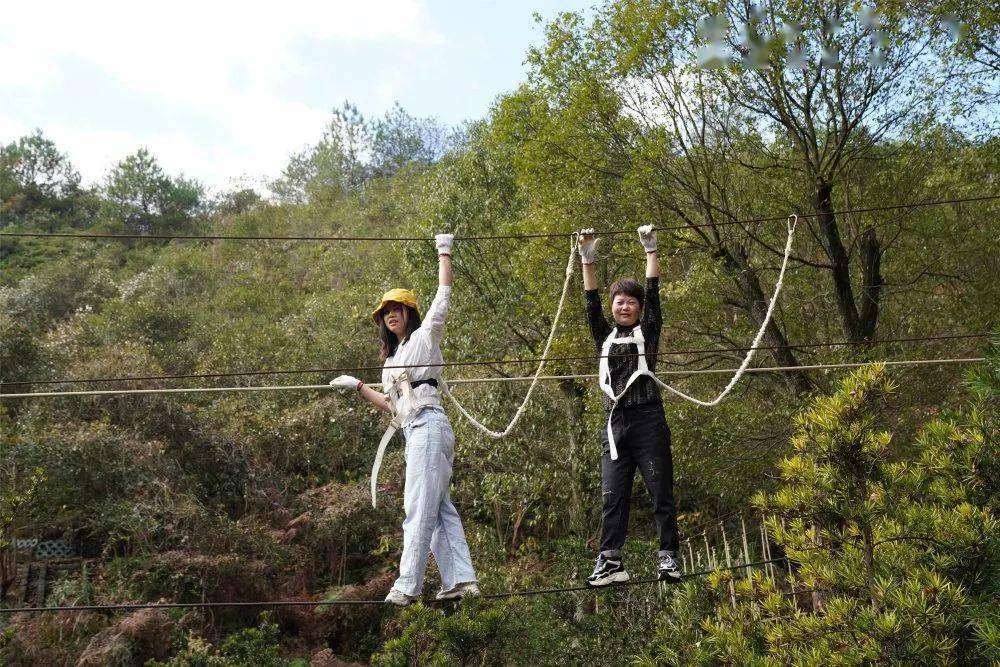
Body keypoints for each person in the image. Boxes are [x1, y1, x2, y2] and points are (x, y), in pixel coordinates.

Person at [329, 233, 479, 606]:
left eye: (397, 308)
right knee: (439, 508)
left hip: (429, 424)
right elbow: (394, 405)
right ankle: (461, 580)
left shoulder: (424, 338)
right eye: (385, 312)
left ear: (409, 312)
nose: (391, 314)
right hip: (416, 431)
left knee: (417, 507)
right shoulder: (391, 361)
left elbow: (443, 297)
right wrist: (360, 386)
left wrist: (444, 251)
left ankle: (408, 584)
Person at [577, 225, 682, 586]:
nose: (624, 306)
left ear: (639, 309)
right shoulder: (603, 336)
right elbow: (590, 303)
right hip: (614, 424)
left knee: (659, 491)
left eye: (631, 302)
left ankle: (668, 557)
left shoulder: (647, 331)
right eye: (619, 301)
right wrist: (587, 258)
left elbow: (654, 296)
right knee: (612, 495)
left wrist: (651, 252)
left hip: (648, 419)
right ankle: (610, 561)